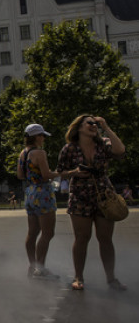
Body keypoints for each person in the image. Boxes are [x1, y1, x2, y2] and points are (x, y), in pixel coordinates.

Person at [56, 115, 126, 291]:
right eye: (90, 123)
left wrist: (106, 127)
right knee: (81, 238)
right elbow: (61, 172)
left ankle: (111, 279)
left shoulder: (103, 143)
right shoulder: (69, 149)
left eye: (95, 124)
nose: (94, 126)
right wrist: (75, 172)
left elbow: (120, 150)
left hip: (104, 195)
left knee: (105, 239)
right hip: (80, 196)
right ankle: (78, 277)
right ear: (79, 127)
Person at [16, 123, 61, 279]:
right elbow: (47, 174)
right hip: (43, 193)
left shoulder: (23, 153)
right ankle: (40, 268)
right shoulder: (40, 153)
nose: (43, 139)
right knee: (48, 232)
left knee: (33, 232)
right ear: (36, 136)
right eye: (42, 136)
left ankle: (33, 265)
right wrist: (63, 173)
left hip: (30, 193)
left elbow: (20, 175)